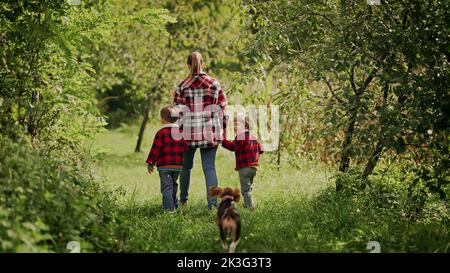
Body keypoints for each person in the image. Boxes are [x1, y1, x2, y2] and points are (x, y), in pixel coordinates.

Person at [173, 51, 227, 209]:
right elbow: (222, 109)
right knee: (209, 167)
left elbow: (177, 112)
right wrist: (223, 130)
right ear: (202, 64)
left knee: (185, 167)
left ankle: (183, 201)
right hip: (209, 132)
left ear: (188, 65)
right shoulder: (214, 83)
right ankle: (212, 205)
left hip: (187, 133)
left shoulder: (182, 86)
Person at [146, 106, 187, 212]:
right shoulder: (180, 132)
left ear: (163, 119)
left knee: (167, 187)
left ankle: (169, 210)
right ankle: (174, 205)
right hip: (177, 166)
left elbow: (155, 149)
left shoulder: (161, 133)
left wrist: (150, 163)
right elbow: (185, 147)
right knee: (173, 185)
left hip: (165, 166)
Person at [222, 114, 263, 211]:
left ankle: (250, 208)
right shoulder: (253, 136)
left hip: (244, 167)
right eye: (234, 125)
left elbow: (233, 147)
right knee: (249, 188)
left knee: (245, 190)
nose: (235, 127)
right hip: (254, 167)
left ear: (246, 124)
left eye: (237, 124)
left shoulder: (241, 136)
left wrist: (223, 141)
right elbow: (261, 149)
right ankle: (248, 203)